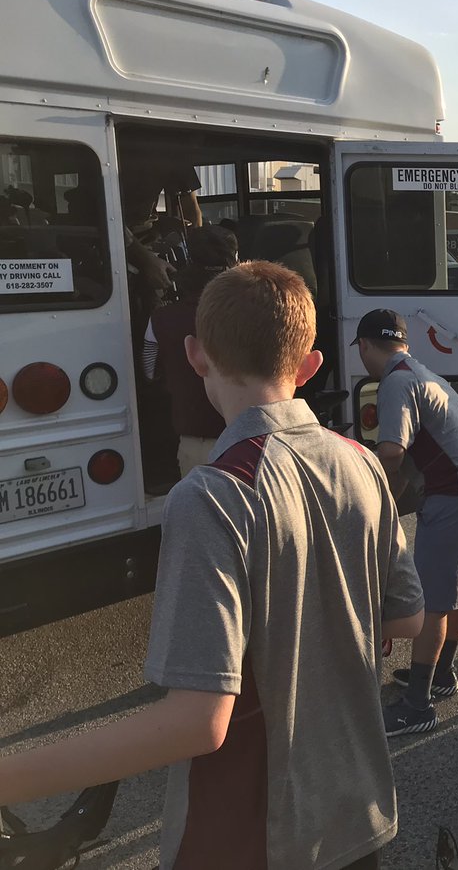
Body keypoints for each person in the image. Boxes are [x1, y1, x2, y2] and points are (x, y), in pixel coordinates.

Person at [0, 262, 426, 870]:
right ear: (310, 366)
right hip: (356, 814)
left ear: (195, 356)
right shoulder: (360, 460)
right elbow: (406, 620)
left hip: (258, 834)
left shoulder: (212, 495)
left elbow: (197, 724)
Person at [355, 309, 458, 736]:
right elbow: (412, 456)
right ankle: (440, 673)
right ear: (403, 342)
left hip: (457, 493)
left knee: (434, 600)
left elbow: (391, 453)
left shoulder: (395, 383)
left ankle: (417, 706)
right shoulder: (421, 372)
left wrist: (364, 487)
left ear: (364, 346)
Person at [142, 225, 239, 477]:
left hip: (196, 444)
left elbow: (149, 372)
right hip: (249, 441)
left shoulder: (161, 319)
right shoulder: (258, 312)